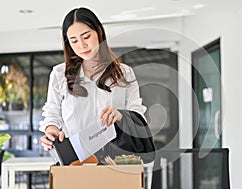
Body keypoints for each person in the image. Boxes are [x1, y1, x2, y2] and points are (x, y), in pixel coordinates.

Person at [39, 7, 155, 163]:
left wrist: (120, 115)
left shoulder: (124, 73)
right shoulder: (60, 74)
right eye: (74, 41)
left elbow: (137, 114)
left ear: (99, 32)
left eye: (86, 36)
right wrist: (51, 130)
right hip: (76, 161)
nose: (81, 45)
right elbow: (52, 112)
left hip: (115, 161)